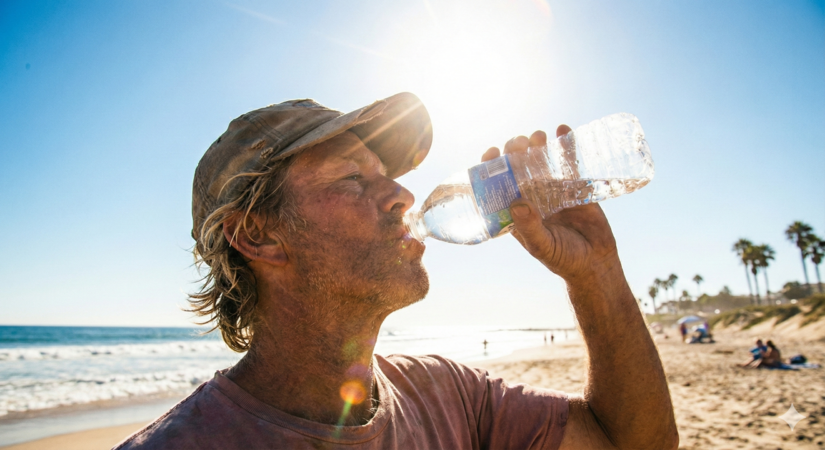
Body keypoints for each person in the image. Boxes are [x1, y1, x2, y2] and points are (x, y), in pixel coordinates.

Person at [115, 93, 677, 449]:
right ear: (257, 235)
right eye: (352, 178)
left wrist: (596, 272)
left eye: (387, 173)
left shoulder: (447, 393)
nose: (403, 195)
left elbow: (631, 442)